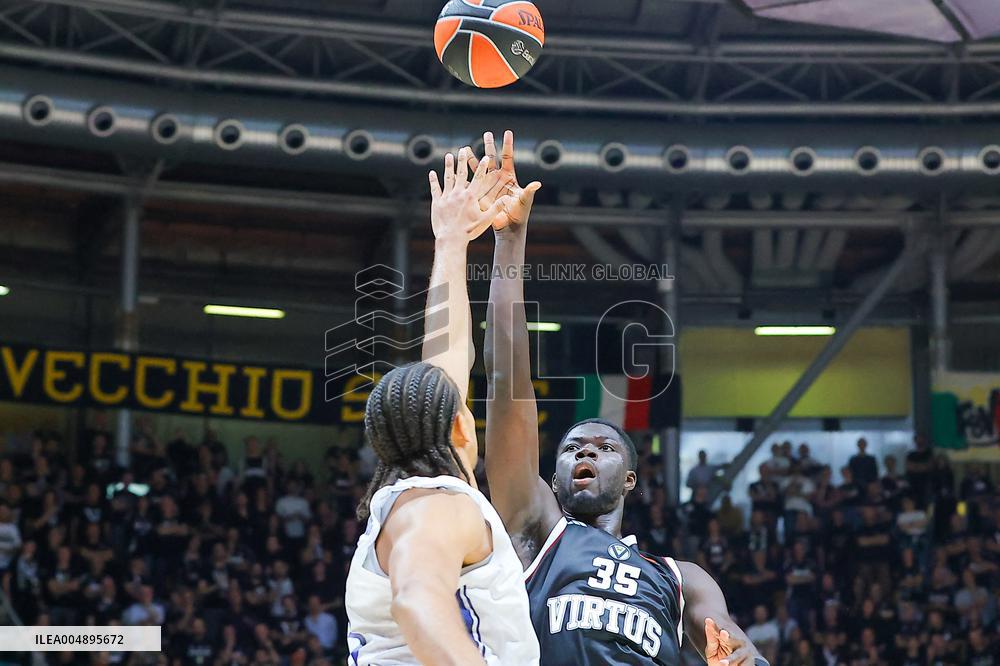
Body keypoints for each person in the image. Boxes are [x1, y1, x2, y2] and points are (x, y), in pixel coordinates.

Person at [482, 130, 762, 665]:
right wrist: (509, 241)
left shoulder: (678, 578)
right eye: (570, 449)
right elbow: (507, 385)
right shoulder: (537, 528)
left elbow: (731, 643)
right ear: (554, 476)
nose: (584, 452)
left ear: (630, 480)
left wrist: (738, 657)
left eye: (603, 448)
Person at [344, 146, 538, 666]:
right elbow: (416, 599)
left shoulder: (419, 496)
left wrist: (453, 241)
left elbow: (448, 353)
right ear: (458, 427)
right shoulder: (437, 508)